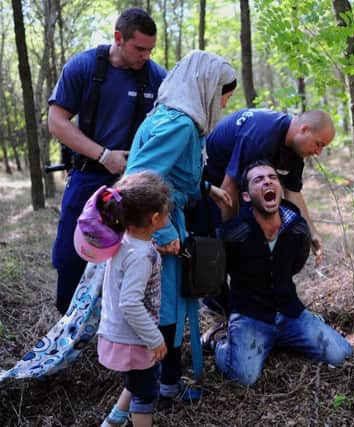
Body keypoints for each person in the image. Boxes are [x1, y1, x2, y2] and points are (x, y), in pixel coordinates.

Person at [125, 50, 236, 405]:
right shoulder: (180, 124)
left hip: (157, 220)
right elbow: (139, 179)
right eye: (223, 93)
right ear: (205, 87)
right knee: (164, 308)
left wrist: (206, 187)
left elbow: (172, 172)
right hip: (158, 225)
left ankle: (162, 383)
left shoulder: (164, 116)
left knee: (164, 305)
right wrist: (164, 232)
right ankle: (159, 388)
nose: (224, 102)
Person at [48, 7, 167, 315]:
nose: (145, 56)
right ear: (118, 38)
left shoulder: (157, 77)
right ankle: (68, 321)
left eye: (150, 49)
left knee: (133, 257)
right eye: (139, 48)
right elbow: (57, 122)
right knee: (70, 255)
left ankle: (118, 326)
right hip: (90, 175)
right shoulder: (85, 67)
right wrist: (103, 155)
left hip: (136, 186)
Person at [202, 160, 353, 386]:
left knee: (341, 354)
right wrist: (230, 310)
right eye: (258, 180)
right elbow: (215, 282)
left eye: (272, 178)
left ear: (280, 190)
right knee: (242, 377)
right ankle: (219, 339)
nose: (267, 182)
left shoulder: (296, 227)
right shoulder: (233, 233)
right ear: (246, 196)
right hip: (250, 316)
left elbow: (296, 264)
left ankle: (281, 337)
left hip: (290, 313)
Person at [87, 171, 172, 427]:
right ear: (156, 218)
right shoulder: (141, 256)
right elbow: (130, 303)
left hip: (119, 334)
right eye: (167, 212)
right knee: (146, 393)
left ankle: (114, 420)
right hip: (134, 338)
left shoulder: (124, 241)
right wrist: (154, 338)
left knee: (138, 379)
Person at [202, 108, 336, 265]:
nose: (319, 152)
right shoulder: (261, 137)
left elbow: (293, 193)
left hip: (237, 190)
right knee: (214, 261)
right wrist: (233, 238)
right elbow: (228, 188)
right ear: (304, 129)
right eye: (319, 144)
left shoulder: (295, 151)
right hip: (209, 187)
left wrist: (312, 232)